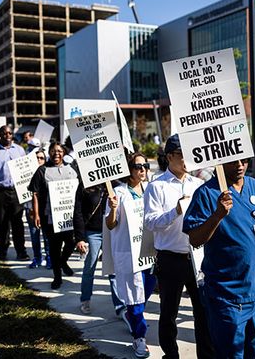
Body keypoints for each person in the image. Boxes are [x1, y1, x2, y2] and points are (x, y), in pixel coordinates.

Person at [183, 158, 255, 358]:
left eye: (245, 160)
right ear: (219, 162)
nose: (240, 165)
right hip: (227, 296)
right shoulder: (206, 193)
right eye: (233, 161)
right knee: (230, 354)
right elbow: (195, 239)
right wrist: (217, 215)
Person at [143, 134, 215, 359]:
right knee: (168, 313)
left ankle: (206, 354)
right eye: (183, 155)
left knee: (203, 312)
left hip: (197, 257)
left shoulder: (199, 184)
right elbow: (150, 222)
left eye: (190, 154)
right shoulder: (156, 186)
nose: (187, 160)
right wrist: (175, 211)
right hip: (170, 258)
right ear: (170, 157)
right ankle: (170, 354)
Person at [106, 152, 157, 358]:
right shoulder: (118, 193)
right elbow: (111, 225)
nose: (142, 169)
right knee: (135, 299)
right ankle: (139, 338)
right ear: (129, 169)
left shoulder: (151, 189)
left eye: (145, 165)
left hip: (150, 253)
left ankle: (132, 315)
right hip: (129, 254)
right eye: (137, 166)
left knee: (145, 292)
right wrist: (112, 209)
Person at [29, 141, 77, 289]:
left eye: (59, 151)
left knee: (72, 242)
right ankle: (57, 277)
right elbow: (35, 193)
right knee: (54, 248)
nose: (56, 153)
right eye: (53, 150)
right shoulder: (42, 170)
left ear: (64, 153)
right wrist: (36, 214)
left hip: (70, 216)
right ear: (49, 152)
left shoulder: (72, 169)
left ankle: (63, 261)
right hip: (50, 218)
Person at [73, 181, 125, 318]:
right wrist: (80, 238)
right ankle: (85, 300)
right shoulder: (85, 186)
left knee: (113, 270)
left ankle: (120, 306)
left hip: (111, 231)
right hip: (92, 232)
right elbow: (77, 211)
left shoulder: (116, 185)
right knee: (90, 266)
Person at [0, 125, 28, 260]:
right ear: (0, 135)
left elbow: (26, 170)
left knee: (18, 222)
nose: (8, 135)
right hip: (0, 191)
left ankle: (21, 252)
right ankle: (2, 251)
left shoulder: (20, 150)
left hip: (16, 191)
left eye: (10, 133)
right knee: (2, 223)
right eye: (4, 133)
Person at [26, 149, 51, 269]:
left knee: (47, 236)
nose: (39, 160)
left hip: (45, 209)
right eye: (37, 158)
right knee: (34, 235)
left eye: (42, 158)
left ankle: (49, 257)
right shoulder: (25, 172)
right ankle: (37, 258)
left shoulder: (48, 172)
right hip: (30, 208)